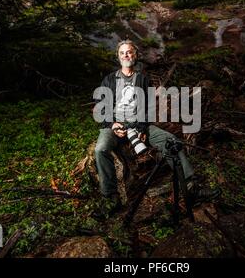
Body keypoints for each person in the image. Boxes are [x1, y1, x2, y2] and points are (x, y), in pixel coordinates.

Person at [92, 40, 220, 217]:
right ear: (118, 57)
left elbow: (149, 108)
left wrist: (142, 128)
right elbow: (101, 105)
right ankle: (110, 197)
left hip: (137, 124)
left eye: (129, 52)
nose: (126, 56)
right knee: (100, 149)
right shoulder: (109, 80)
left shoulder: (143, 79)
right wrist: (112, 124)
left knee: (171, 141)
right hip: (114, 124)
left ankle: (191, 188)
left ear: (135, 55)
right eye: (122, 53)